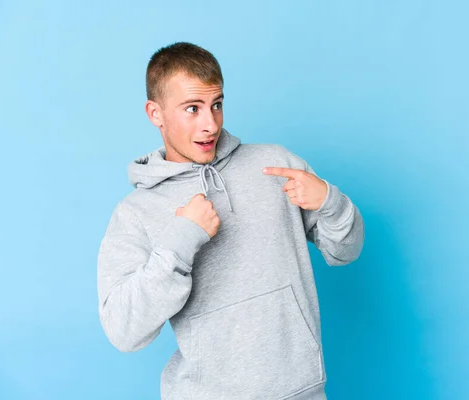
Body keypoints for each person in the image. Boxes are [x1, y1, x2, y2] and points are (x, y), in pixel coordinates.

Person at [96, 41, 365, 400]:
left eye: (216, 105)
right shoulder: (136, 213)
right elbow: (123, 330)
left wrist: (331, 202)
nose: (210, 124)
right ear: (155, 113)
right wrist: (179, 242)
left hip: (301, 392)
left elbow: (345, 252)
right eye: (192, 109)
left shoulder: (275, 164)